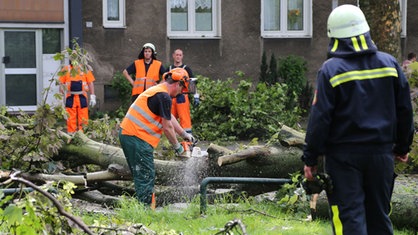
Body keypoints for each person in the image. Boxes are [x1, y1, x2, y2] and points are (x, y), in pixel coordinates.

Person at [301, 4, 414, 235]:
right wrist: (403, 146)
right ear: (366, 30)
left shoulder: (330, 70)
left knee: (349, 218)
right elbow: (405, 111)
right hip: (381, 155)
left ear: (333, 36)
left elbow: (320, 119)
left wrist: (310, 158)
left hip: (343, 158)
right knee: (379, 218)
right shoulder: (390, 64)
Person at [118, 67, 195, 206]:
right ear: (178, 84)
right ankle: (146, 212)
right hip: (136, 137)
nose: (181, 93)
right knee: (145, 176)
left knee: (142, 175)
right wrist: (178, 148)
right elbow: (167, 127)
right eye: (182, 88)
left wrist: (184, 134)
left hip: (132, 135)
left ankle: (143, 209)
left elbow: (169, 117)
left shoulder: (159, 91)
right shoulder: (163, 96)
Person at [59, 63, 96, 134]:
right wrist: (60, 98)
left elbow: (90, 83)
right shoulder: (66, 69)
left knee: (83, 117)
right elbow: (61, 83)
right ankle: (71, 134)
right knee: (70, 117)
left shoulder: (85, 69)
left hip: (82, 97)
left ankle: (83, 134)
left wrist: (92, 96)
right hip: (70, 97)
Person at [166, 49, 195, 134]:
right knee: (170, 118)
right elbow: (165, 83)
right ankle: (171, 140)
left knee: (185, 119)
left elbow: (191, 83)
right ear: (173, 56)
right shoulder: (169, 69)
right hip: (171, 97)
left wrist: (195, 96)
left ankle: (188, 140)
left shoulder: (186, 69)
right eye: (177, 55)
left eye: (180, 55)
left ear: (182, 56)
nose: (178, 56)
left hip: (182, 97)